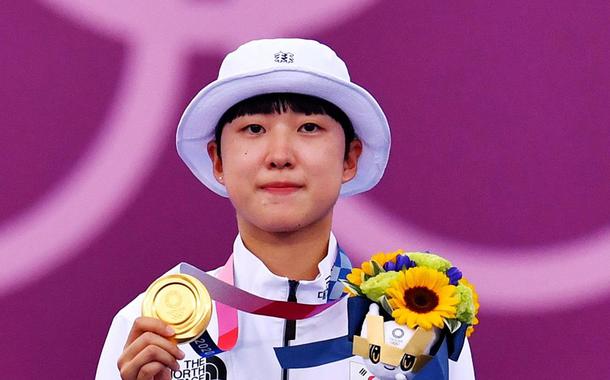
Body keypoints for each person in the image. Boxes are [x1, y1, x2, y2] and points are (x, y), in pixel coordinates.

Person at [95, 38, 476, 380]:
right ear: (218, 161)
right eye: (254, 129)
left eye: (309, 128)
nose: (280, 156)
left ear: (350, 157)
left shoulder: (414, 326)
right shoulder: (152, 326)